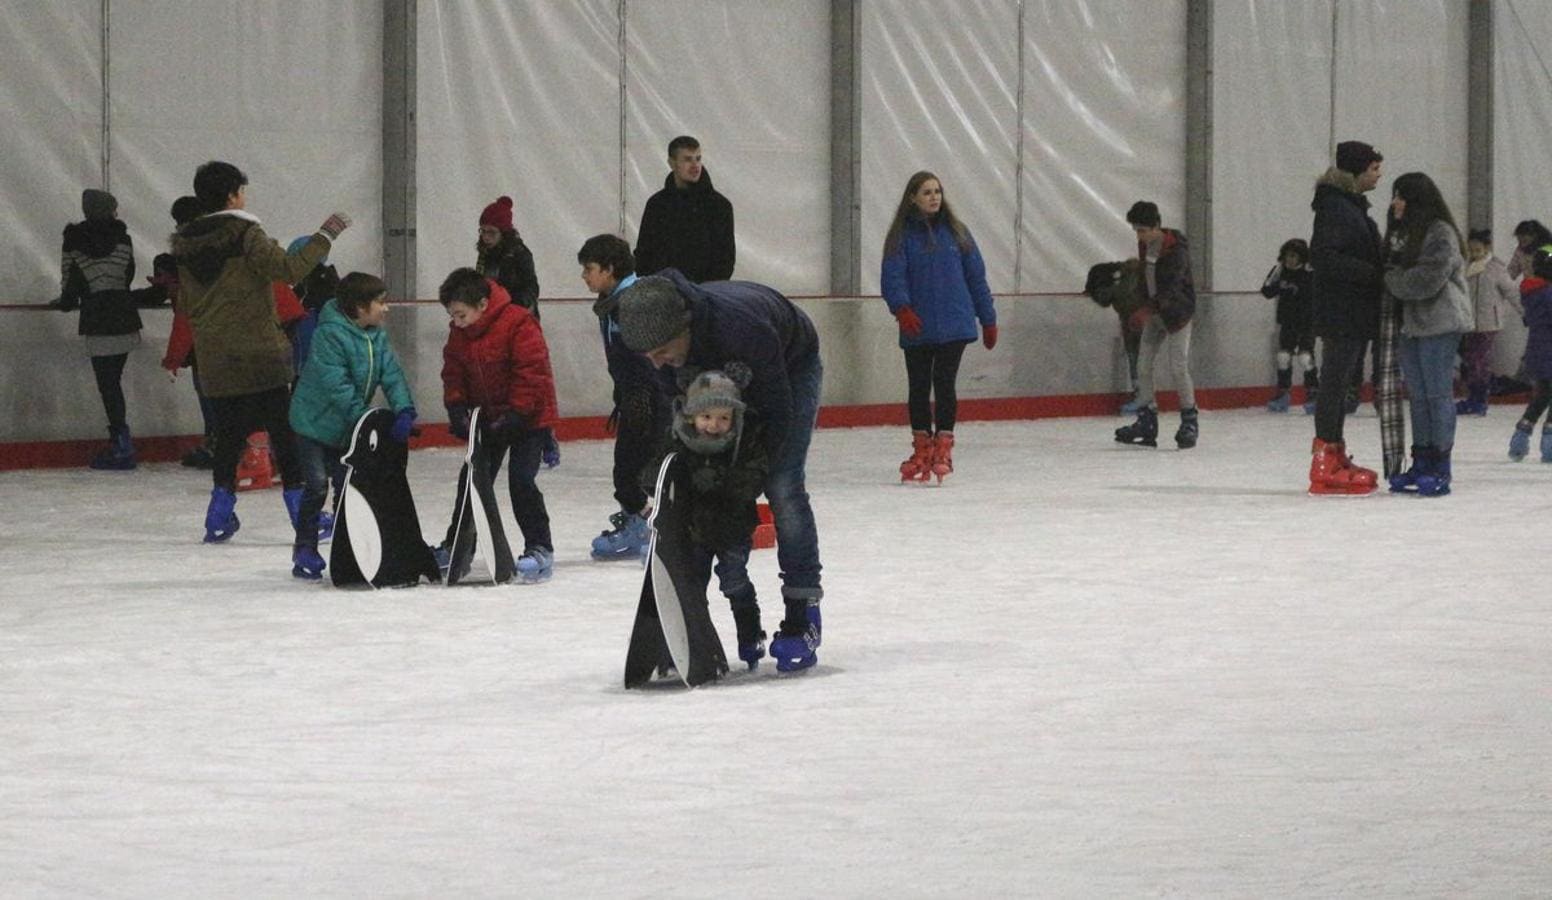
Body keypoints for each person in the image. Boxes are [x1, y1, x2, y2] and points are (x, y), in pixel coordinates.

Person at [616, 269, 823, 672]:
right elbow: (677, 423)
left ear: (685, 327)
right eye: (649, 355)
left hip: (790, 362)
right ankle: (691, 621)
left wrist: (741, 478)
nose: (656, 362)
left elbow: (777, 414)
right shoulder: (664, 356)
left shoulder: (742, 330)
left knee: (782, 484)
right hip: (725, 373)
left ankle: (803, 609)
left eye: (661, 350)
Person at [169, 160, 349, 542]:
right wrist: (325, 236)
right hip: (258, 353)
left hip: (215, 358)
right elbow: (288, 269)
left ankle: (218, 516)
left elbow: (187, 301)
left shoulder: (184, 244)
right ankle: (305, 517)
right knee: (284, 435)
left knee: (228, 436)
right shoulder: (245, 232)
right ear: (234, 195)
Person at [287, 272, 416, 580]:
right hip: (312, 425)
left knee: (347, 486)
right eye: (380, 303)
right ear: (359, 307)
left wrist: (404, 409)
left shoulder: (377, 335)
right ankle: (304, 546)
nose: (386, 308)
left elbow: (391, 374)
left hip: (346, 427)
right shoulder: (328, 335)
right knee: (317, 484)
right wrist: (367, 418)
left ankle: (347, 549)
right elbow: (337, 385)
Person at [436, 268, 559, 584]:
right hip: (488, 419)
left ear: (482, 304)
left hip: (528, 419)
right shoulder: (459, 332)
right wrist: (456, 406)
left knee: (521, 480)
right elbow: (453, 371)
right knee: (472, 479)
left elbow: (532, 371)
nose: (457, 322)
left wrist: (517, 414)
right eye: (453, 316)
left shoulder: (518, 322)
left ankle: (539, 546)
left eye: (462, 315)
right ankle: (458, 545)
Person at [642, 366, 768, 669]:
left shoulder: (742, 444)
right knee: (693, 588)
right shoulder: (678, 441)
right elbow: (654, 473)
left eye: (723, 418)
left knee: (734, 582)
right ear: (691, 416)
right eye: (706, 417)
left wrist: (723, 481)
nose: (714, 425)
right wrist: (654, 487)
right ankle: (693, 642)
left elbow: (755, 479)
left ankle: (751, 635)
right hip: (693, 530)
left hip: (732, 530)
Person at [880, 171, 998, 481]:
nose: (934, 197)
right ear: (913, 198)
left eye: (937, 192)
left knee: (944, 384)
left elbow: (976, 278)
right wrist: (902, 308)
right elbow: (893, 276)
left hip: (954, 323)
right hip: (917, 326)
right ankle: (922, 447)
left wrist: (988, 318)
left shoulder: (958, 233)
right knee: (918, 388)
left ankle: (943, 446)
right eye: (927, 192)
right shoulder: (901, 237)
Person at [578, 234, 674, 560]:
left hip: (648, 399)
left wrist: (644, 398)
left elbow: (650, 358)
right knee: (631, 470)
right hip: (635, 397)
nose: (584, 276)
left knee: (630, 475)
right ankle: (642, 525)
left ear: (610, 269)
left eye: (589, 269)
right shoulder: (614, 302)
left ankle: (656, 526)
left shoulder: (634, 303)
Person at [1382, 172, 1471, 497]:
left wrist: (1392, 279)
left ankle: (1441, 466)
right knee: (1418, 397)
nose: (1394, 203)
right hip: (1413, 325)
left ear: (1417, 200)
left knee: (1436, 395)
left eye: (1401, 196)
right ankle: (1421, 461)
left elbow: (1428, 279)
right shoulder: (1402, 234)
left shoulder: (1440, 232)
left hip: (1441, 323)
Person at [1307, 141, 1386, 494]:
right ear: (1355, 172)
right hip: (1341, 310)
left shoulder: (1349, 206)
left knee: (1342, 384)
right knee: (1334, 383)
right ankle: (1324, 456)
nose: (1378, 175)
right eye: (1373, 169)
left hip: (1352, 309)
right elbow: (1325, 256)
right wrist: (1373, 273)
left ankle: (1335, 452)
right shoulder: (1336, 207)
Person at [52, 188, 140, 470]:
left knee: (108, 385)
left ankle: (121, 443)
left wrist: (66, 302)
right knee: (115, 381)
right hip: (123, 313)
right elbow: (128, 275)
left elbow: (70, 283)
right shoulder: (123, 238)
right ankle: (122, 442)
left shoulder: (73, 240)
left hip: (97, 317)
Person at [476, 196, 557, 469]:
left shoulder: (520, 254)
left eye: (491, 232)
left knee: (533, 383)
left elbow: (531, 290)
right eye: (483, 231)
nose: (486, 237)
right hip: (494, 326)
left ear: (504, 232)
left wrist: (511, 308)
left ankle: (545, 436)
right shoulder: (484, 255)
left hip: (521, 325)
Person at [1113, 201, 1199, 450]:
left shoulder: (1175, 251)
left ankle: (1189, 419)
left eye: (1142, 230)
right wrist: (1139, 306)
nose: (1139, 236)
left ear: (1156, 226)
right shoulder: (1145, 245)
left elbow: (1171, 289)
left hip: (1177, 315)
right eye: (1136, 230)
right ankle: (1146, 419)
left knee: (1178, 366)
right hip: (1155, 314)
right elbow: (1146, 279)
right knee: (1143, 365)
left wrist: (1145, 311)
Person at [634, 135, 735, 282]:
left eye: (698, 158)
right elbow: (644, 253)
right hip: (663, 294)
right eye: (688, 159)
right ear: (672, 163)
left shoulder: (719, 206)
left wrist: (705, 292)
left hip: (705, 295)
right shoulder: (657, 205)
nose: (695, 165)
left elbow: (725, 259)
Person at [1457, 229, 1519, 415]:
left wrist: (1527, 313)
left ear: (1487, 248)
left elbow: (1511, 292)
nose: (1475, 254)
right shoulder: (1465, 267)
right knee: (1471, 360)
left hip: (1488, 323)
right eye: (1471, 250)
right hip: (1468, 323)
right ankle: (1473, 398)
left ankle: (1480, 399)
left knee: (1479, 361)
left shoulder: (1496, 268)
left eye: (1478, 250)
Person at [1260, 239, 1319, 413]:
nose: (1290, 260)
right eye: (1287, 256)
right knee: (1283, 356)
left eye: (1294, 256)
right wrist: (1277, 278)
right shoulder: (1280, 271)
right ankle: (1283, 392)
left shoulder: (1310, 273)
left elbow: (1319, 294)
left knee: (1305, 356)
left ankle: (1313, 391)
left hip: (1308, 322)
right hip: (1288, 321)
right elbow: (1266, 291)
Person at [1508, 245, 1552, 462]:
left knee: (1542, 396)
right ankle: (1549, 445)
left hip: (1536, 353)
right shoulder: (1548, 294)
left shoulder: (1531, 293)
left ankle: (1519, 439)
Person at [1083, 259, 1145, 414]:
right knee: (1137, 358)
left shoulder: (1125, 282)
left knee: (1137, 359)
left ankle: (1143, 398)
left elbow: (1106, 299)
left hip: (1138, 325)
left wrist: (1095, 292)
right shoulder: (1129, 276)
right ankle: (1142, 397)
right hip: (1134, 325)